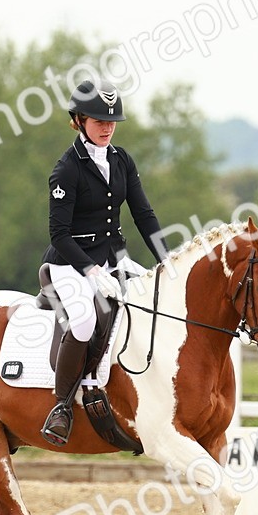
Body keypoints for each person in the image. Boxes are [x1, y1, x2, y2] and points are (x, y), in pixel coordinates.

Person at [40, 79, 168, 446]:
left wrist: (166, 260)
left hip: (115, 260)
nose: (107, 128)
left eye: (112, 122)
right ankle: (62, 406)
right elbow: (59, 235)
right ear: (79, 120)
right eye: (99, 121)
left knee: (153, 305)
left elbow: (144, 214)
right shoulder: (67, 169)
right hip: (70, 264)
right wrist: (91, 271)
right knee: (84, 321)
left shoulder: (121, 159)